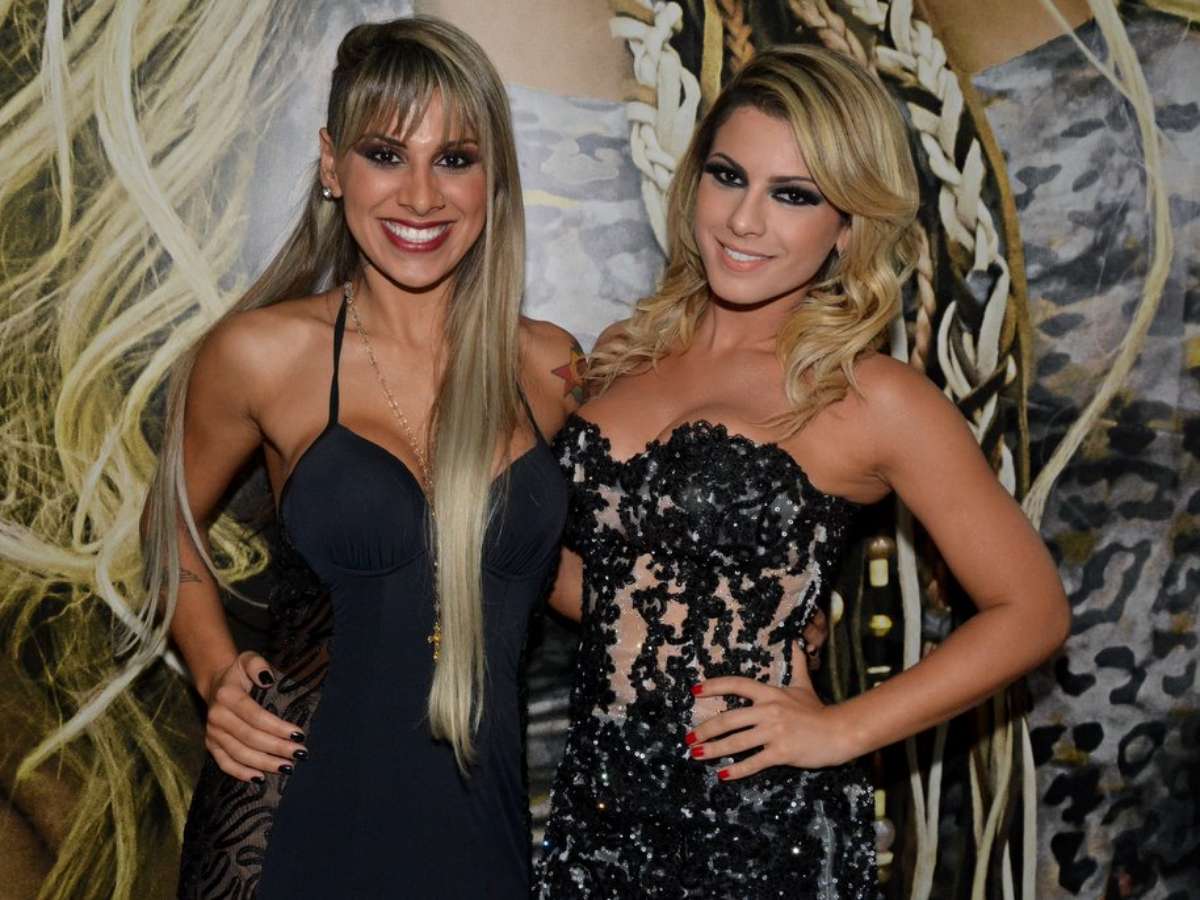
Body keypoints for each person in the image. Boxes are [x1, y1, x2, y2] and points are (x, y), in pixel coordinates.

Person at [534, 46, 1070, 897]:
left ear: (846, 226)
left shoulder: (869, 395)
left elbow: (1032, 610)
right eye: (729, 177)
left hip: (758, 827)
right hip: (597, 811)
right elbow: (606, 586)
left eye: (794, 195)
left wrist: (840, 731)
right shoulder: (625, 352)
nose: (745, 220)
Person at [151, 18, 579, 898]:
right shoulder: (261, 355)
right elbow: (169, 528)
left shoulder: (551, 367)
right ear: (331, 164)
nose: (420, 196)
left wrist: (765, 611)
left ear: (495, 177)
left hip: (480, 832)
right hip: (286, 823)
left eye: (454, 158)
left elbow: (583, 572)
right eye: (386, 154)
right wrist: (215, 669)